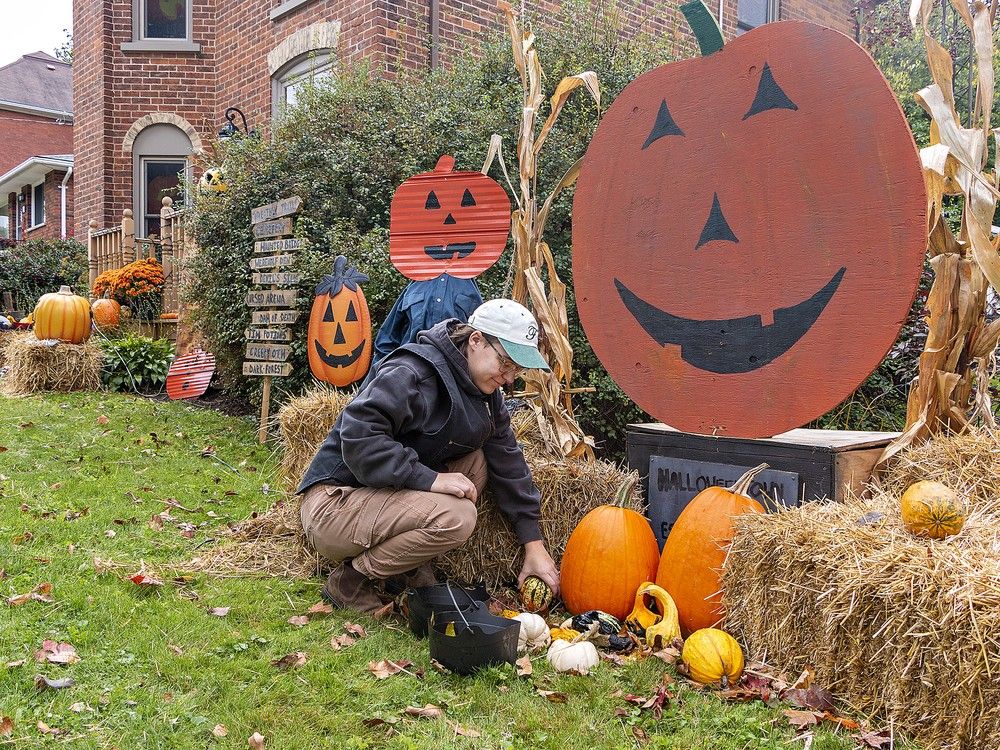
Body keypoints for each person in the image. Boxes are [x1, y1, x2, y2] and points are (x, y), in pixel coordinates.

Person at [297, 298, 560, 613]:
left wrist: (533, 545)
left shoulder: (487, 396)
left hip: (379, 497)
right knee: (457, 517)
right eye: (505, 364)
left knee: (477, 462)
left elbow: (509, 461)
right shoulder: (410, 372)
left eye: (516, 370)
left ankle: (406, 567)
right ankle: (350, 580)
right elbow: (359, 438)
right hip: (335, 503)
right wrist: (430, 479)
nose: (509, 377)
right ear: (476, 340)